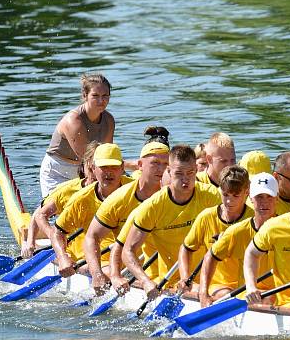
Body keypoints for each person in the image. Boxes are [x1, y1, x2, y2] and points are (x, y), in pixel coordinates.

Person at [119, 145, 220, 298]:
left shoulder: (212, 196)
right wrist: (145, 281)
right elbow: (127, 251)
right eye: (179, 173)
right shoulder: (154, 206)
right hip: (175, 281)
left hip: (213, 277)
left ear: (197, 170)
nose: (186, 180)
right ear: (168, 172)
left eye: (190, 173)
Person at [83, 127, 169, 295]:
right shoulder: (120, 198)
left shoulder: (178, 194)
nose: (161, 170)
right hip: (133, 266)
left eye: (166, 165)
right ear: (140, 166)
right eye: (155, 164)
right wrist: (98, 274)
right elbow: (92, 237)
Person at [50, 143, 131, 277]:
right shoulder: (81, 199)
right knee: (111, 273)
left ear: (122, 167)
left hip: (132, 255)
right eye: (103, 167)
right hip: (102, 260)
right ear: (93, 168)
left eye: (114, 167)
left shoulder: (137, 189)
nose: (109, 172)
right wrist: (63, 257)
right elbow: (58, 232)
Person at [199, 172, 278, 307]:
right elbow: (210, 257)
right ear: (251, 198)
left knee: (270, 297)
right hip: (249, 295)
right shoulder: (237, 231)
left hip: (280, 294)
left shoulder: (287, 229)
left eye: (269, 197)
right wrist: (203, 293)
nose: (264, 202)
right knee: (267, 298)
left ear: (277, 198)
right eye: (259, 197)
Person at [39, 73, 115, 197]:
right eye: (95, 96)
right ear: (85, 96)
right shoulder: (73, 120)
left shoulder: (109, 120)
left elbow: (106, 154)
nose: (101, 101)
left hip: (87, 170)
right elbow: (87, 158)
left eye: (105, 96)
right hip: (58, 172)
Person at [178, 166, 252, 291]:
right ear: (219, 189)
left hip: (247, 284)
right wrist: (185, 277)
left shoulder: (252, 219)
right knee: (225, 293)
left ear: (247, 192)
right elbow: (186, 248)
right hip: (216, 285)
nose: (229, 201)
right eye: (225, 194)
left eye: (236, 195)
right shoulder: (207, 217)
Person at [21, 141, 98, 258]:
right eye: (91, 168)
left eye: (101, 168)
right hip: (78, 253)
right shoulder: (67, 190)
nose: (96, 174)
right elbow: (39, 215)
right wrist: (47, 235)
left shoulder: (120, 188)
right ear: (83, 166)